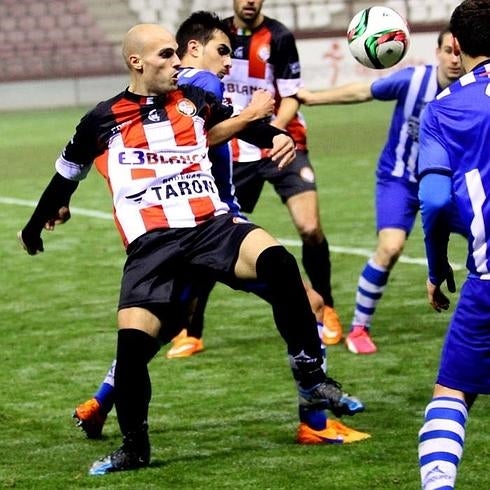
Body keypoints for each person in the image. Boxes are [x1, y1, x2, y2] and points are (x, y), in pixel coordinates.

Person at [18, 23, 364, 475]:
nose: (176, 61)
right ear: (136, 62)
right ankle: (134, 449)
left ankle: (311, 378)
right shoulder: (100, 120)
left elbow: (238, 126)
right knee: (132, 350)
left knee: (279, 262)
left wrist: (274, 135)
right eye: (166, 55)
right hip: (153, 244)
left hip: (210, 225)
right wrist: (35, 224)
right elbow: (66, 175)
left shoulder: (195, 98)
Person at [296, 27, 464, 354]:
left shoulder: (472, 91)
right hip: (399, 179)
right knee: (390, 248)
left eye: (459, 52)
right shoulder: (413, 80)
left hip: (448, 182)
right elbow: (364, 91)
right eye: (447, 51)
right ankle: (359, 328)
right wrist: (314, 98)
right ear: (437, 52)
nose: (454, 59)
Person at [216, 0, 344, 347]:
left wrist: (272, 131)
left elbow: (291, 96)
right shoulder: (218, 36)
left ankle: (326, 306)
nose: (249, 2)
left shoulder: (279, 36)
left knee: (310, 227)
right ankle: (191, 331)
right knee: (209, 233)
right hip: (235, 151)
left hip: (283, 142)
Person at [416, 1, 490, 488]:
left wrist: (437, 264)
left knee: (452, 392)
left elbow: (436, 199)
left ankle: (439, 483)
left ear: (457, 47)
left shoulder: (442, 110)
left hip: (487, 278)